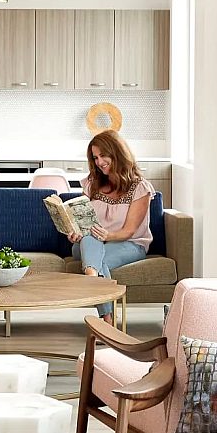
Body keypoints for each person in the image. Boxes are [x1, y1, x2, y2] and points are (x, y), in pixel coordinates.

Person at [63, 129, 154, 324]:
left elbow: (129, 231)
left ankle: (105, 315)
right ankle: (93, 278)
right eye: (95, 157)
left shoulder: (140, 187)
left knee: (98, 261)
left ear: (117, 154)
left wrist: (106, 235)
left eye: (103, 155)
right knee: (89, 238)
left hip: (129, 244)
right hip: (87, 244)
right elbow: (83, 220)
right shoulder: (92, 183)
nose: (99, 162)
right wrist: (74, 232)